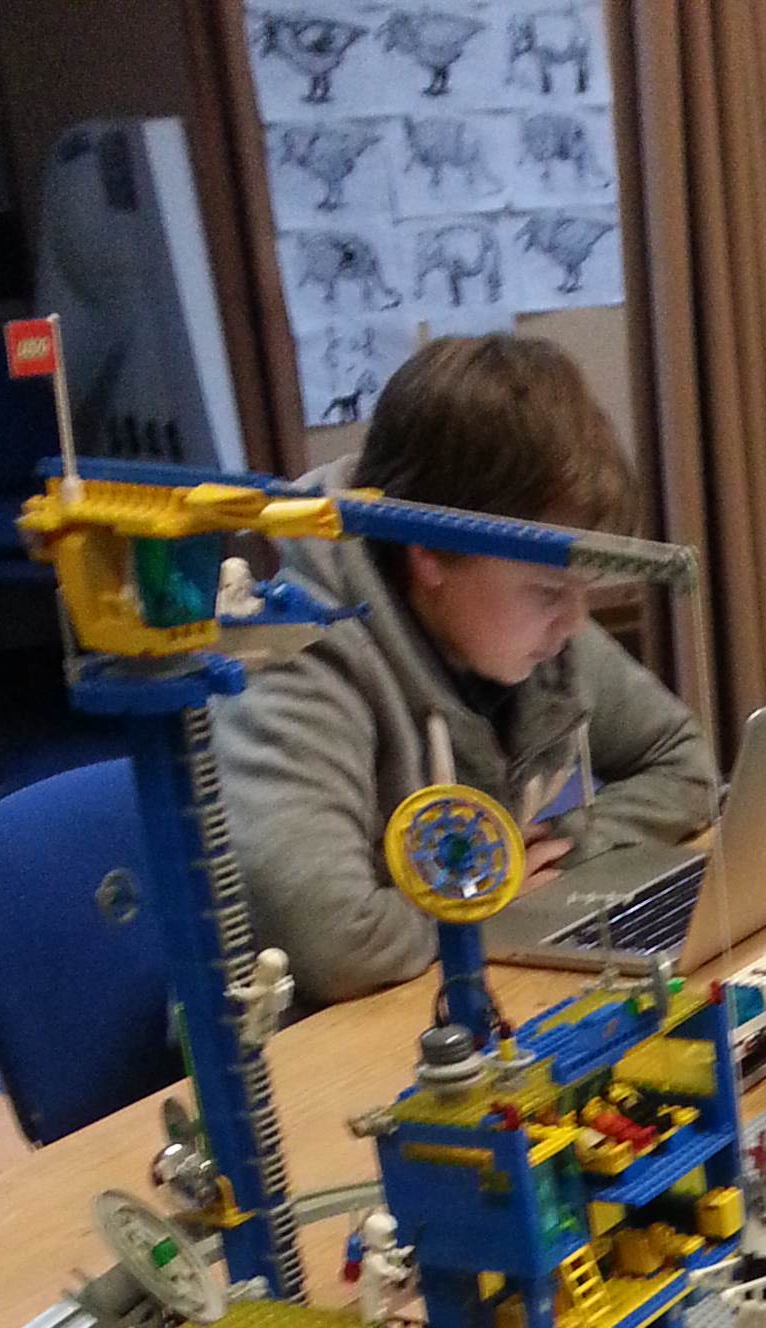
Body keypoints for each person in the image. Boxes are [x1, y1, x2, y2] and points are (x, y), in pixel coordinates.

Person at [213, 333, 716, 1006]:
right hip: (317, 1040)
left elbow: (686, 764)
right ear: (429, 555)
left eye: (584, 589)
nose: (574, 623)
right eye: (548, 591)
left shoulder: (535, 627)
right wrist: (484, 893)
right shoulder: (294, 660)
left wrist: (566, 848)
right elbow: (333, 943)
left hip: (453, 995)